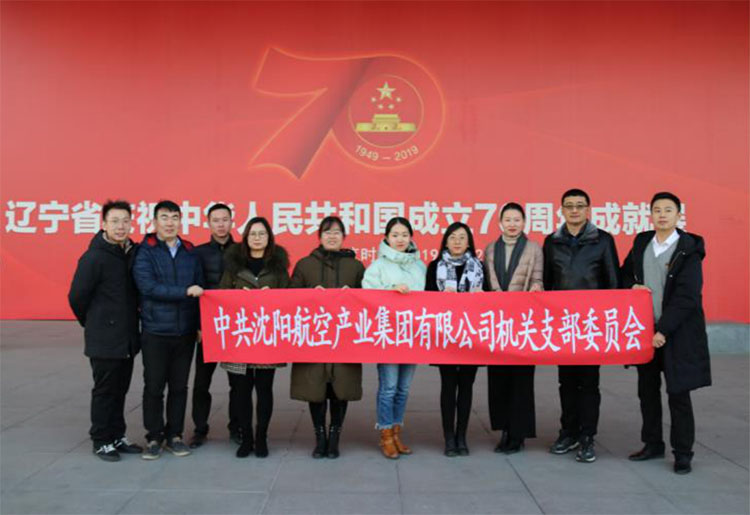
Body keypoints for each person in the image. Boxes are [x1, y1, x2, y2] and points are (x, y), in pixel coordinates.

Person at [621, 192, 711, 474]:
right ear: (650, 215)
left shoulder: (688, 249)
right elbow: (624, 274)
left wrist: (663, 330)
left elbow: (688, 296)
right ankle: (652, 444)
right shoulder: (642, 243)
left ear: (678, 215)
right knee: (647, 392)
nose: (662, 215)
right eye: (657, 210)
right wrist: (632, 286)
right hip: (645, 331)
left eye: (668, 210)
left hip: (677, 334)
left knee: (678, 394)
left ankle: (683, 453)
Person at [543, 189, 619, 463]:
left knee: (588, 383)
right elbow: (547, 283)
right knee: (566, 382)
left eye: (579, 206)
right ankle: (568, 432)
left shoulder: (603, 240)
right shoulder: (552, 242)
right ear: (562, 210)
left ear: (588, 209)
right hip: (563, 325)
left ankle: (587, 436)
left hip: (591, 326)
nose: (574, 210)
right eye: (569, 206)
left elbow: (613, 283)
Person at [68, 200, 143, 461]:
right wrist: (93, 322)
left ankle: (117, 435)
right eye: (115, 221)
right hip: (104, 338)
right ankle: (101, 440)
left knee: (120, 389)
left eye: (125, 221)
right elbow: (77, 297)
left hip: (127, 338)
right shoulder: (94, 258)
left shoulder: (129, 253)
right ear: (104, 224)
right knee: (104, 391)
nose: (121, 226)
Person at [132, 200, 204, 460]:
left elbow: (200, 290)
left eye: (175, 217)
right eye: (164, 217)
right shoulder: (145, 252)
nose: (170, 223)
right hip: (156, 331)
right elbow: (148, 288)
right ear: (155, 222)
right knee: (154, 386)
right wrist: (184, 292)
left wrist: (199, 325)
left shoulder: (189, 252)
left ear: (181, 221)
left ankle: (175, 435)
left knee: (179, 387)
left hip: (185, 332)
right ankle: (154, 436)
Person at [289, 216, 365, 459]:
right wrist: (310, 295)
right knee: (316, 388)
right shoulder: (305, 265)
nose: (332, 236)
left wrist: (354, 295)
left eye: (337, 232)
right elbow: (290, 297)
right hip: (314, 337)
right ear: (319, 237)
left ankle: (335, 436)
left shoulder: (355, 267)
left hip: (345, 337)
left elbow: (369, 300)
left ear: (344, 237)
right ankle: (319, 435)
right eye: (327, 232)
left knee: (340, 389)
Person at [219, 217, 289, 458]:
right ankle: (246, 437)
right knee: (241, 390)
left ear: (269, 238)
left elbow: (290, 297)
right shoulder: (234, 266)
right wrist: (239, 296)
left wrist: (273, 295)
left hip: (266, 336)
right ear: (245, 238)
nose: (257, 238)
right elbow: (221, 295)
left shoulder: (278, 267)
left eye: (262, 234)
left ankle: (261, 437)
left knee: (264, 389)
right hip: (239, 336)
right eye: (253, 234)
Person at [362, 217, 426, 459]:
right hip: (388, 335)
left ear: (411, 237)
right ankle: (386, 435)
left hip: (412, 335)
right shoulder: (377, 266)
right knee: (388, 388)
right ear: (387, 238)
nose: (400, 239)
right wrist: (390, 291)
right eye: (395, 235)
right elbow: (367, 297)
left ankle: (397, 433)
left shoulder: (420, 266)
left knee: (403, 388)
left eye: (404, 235)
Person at [483, 202, 543, 454]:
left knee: (521, 379)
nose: (512, 224)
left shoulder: (534, 248)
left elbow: (538, 278)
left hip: (523, 323)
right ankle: (504, 430)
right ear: (500, 223)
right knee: (498, 379)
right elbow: (488, 283)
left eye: (517, 219)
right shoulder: (490, 249)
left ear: (524, 222)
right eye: (507, 219)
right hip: (498, 323)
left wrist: (536, 288)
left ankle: (518, 434)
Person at [425, 222, 484, 457]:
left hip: (471, 337)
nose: (457, 242)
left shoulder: (478, 267)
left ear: (469, 243)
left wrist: (482, 296)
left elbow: (489, 302)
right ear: (445, 242)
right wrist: (441, 298)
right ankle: (449, 437)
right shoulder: (435, 267)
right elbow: (426, 301)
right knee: (448, 387)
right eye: (452, 237)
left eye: (462, 237)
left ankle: (462, 436)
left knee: (467, 387)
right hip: (445, 337)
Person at [189, 203, 239, 448]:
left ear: (232, 222)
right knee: (201, 382)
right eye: (216, 220)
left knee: (237, 383)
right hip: (207, 328)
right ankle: (200, 428)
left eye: (225, 219)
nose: (221, 224)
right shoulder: (197, 253)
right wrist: (197, 326)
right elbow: (194, 291)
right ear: (208, 223)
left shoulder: (242, 252)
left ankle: (236, 427)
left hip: (235, 328)